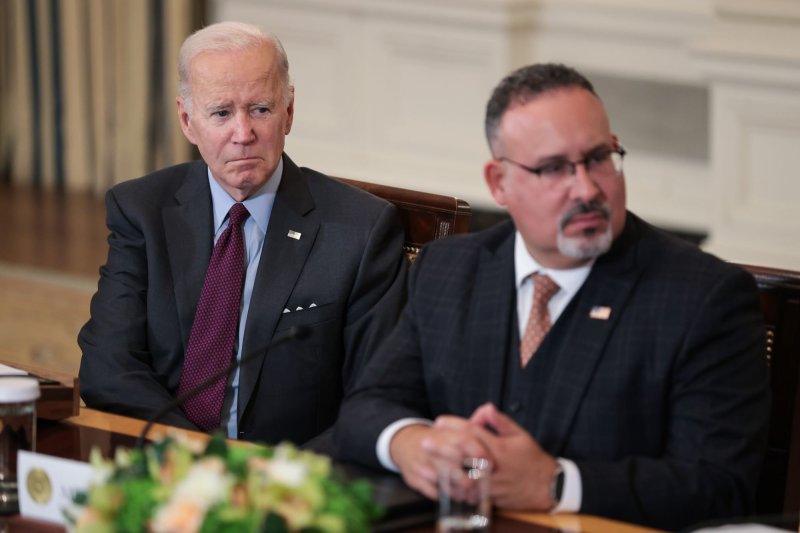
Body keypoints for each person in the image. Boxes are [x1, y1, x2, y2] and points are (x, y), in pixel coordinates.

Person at [334, 63, 770, 531]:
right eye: (555, 168)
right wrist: (413, 445)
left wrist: (558, 484)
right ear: (499, 183)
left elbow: (721, 486)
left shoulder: (703, 296)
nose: (586, 189)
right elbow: (366, 407)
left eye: (600, 158)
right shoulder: (450, 269)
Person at [78, 22, 407, 448]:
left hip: (291, 483)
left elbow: (379, 396)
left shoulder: (361, 230)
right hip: (168, 464)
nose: (243, 134)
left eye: (260, 109)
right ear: (187, 120)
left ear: (289, 111)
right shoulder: (141, 210)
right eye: (221, 113)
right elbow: (108, 365)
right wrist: (201, 460)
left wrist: (274, 480)